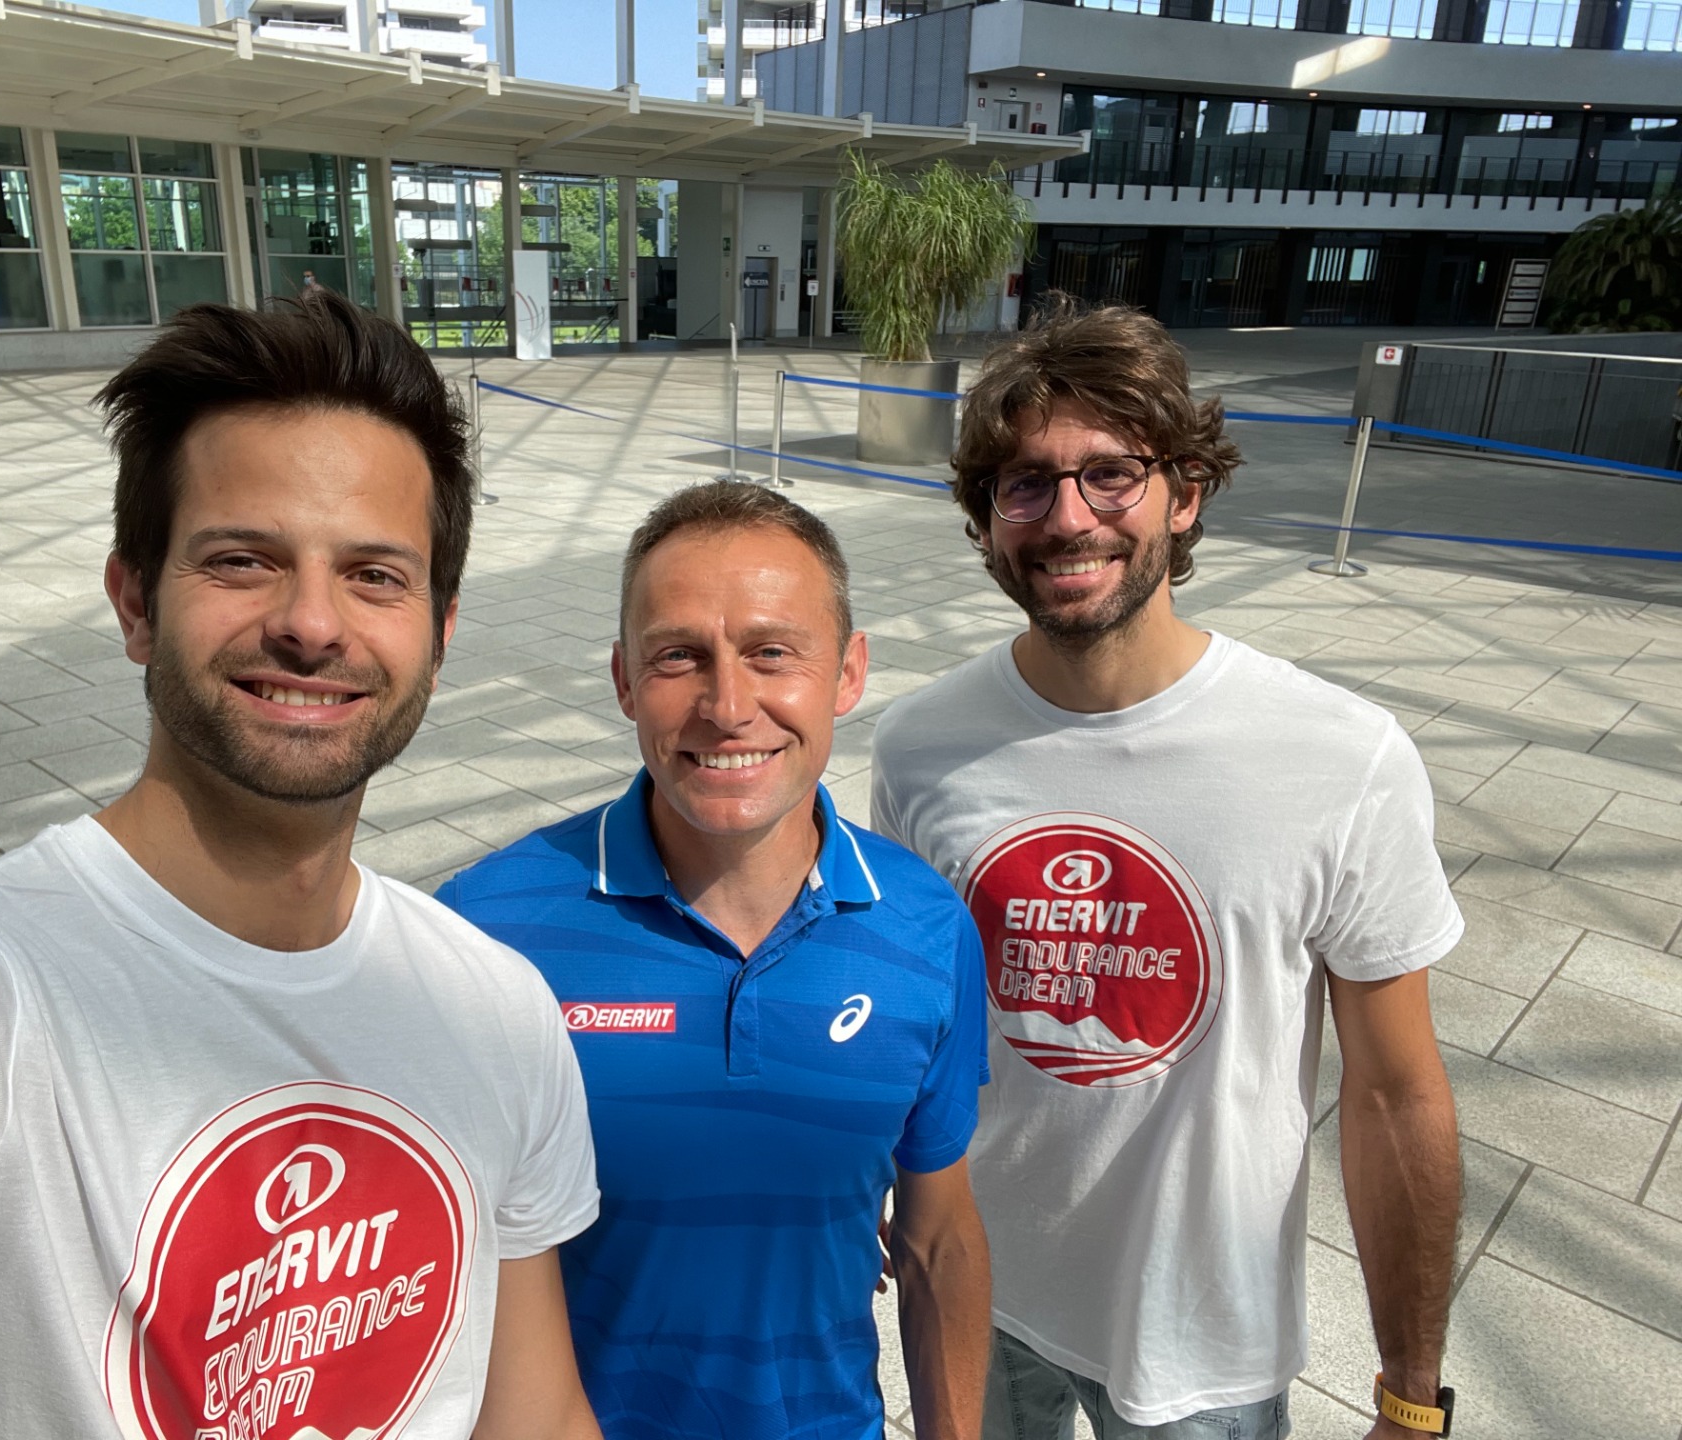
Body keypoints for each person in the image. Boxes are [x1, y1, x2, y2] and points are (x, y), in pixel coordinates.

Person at [0, 293, 603, 1440]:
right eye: (243, 560)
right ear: (134, 603)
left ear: (440, 638)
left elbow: (537, 1415)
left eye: (375, 575)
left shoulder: (497, 1010)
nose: (313, 623)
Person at [870, 300, 1464, 1440]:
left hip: (1203, 1338)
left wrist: (1409, 1393)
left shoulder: (1339, 756)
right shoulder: (921, 745)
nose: (1066, 517)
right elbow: (916, 1015)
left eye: (1111, 475)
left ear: (1184, 493)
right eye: (1026, 484)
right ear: (988, 518)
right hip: (980, 1292)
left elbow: (1393, 1094)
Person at [437, 481, 993, 1440]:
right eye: (678, 657)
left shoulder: (927, 927)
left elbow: (937, 1236)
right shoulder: (487, 932)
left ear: (849, 675)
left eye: (772, 653)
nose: (728, 707)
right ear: (622, 680)